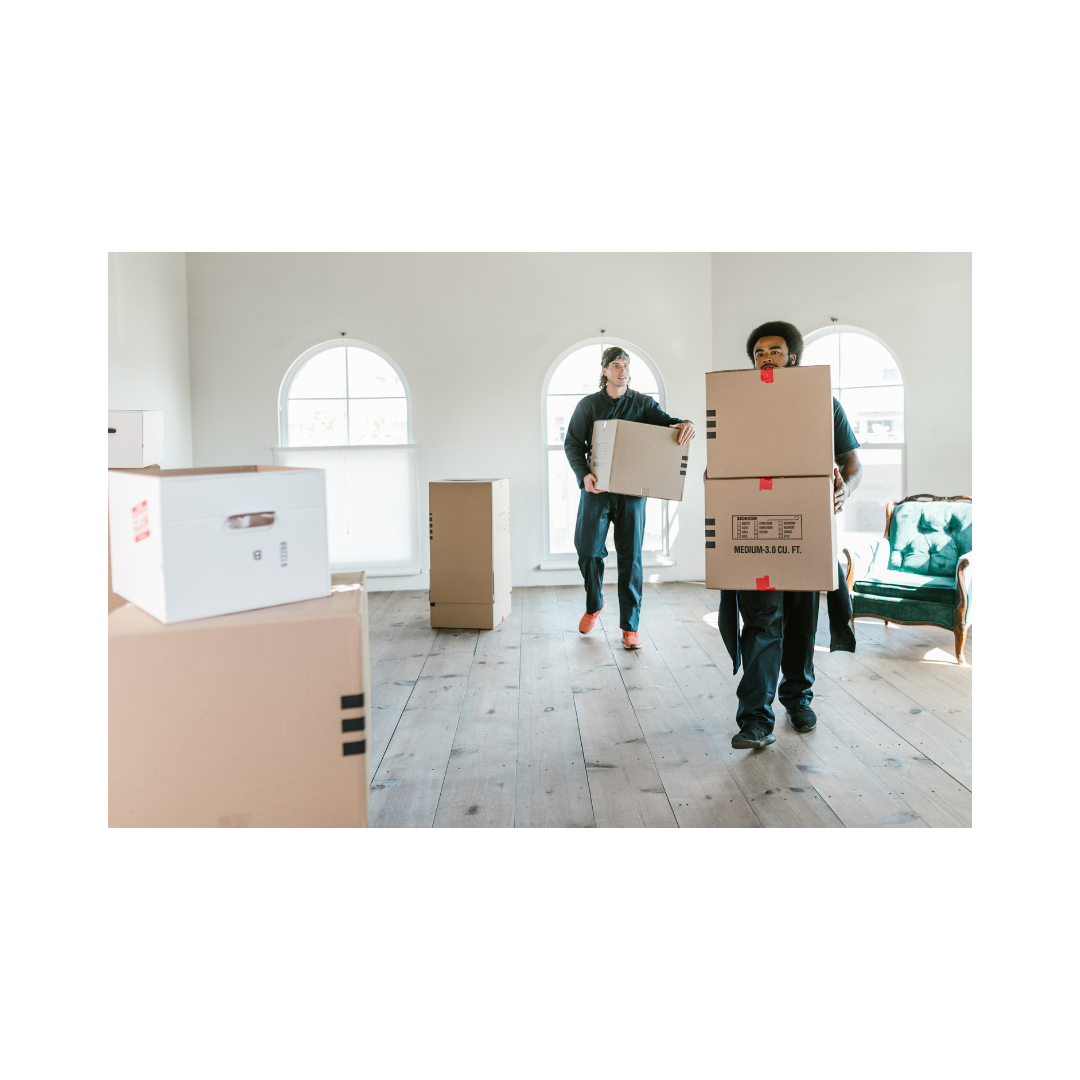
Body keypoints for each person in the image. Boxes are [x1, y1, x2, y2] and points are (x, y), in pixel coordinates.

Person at [723, 321, 863, 749]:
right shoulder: (738, 407)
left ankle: (798, 698)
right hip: (756, 530)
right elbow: (724, 467)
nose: (766, 357)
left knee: (802, 625)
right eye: (760, 352)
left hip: (807, 529)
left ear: (793, 357)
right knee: (762, 623)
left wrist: (844, 490)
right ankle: (755, 721)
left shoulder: (824, 404)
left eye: (775, 351)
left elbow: (853, 465)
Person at [564, 346, 695, 649]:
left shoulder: (643, 403)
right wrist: (584, 476)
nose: (622, 370)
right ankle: (595, 603)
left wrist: (685, 423)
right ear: (604, 371)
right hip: (596, 491)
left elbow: (667, 423)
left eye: (626, 365)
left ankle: (630, 627)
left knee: (630, 558)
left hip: (632, 494)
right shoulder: (588, 405)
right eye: (616, 365)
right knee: (587, 550)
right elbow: (572, 443)